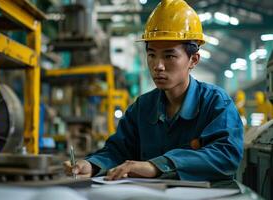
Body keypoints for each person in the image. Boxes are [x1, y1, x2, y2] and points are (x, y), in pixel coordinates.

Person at [64, 0, 243, 181]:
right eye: (151, 55)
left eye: (169, 56)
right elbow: (118, 151)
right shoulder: (142, 108)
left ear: (193, 60)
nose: (158, 66)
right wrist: (92, 165)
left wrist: (157, 166)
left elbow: (226, 154)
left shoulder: (216, 103)